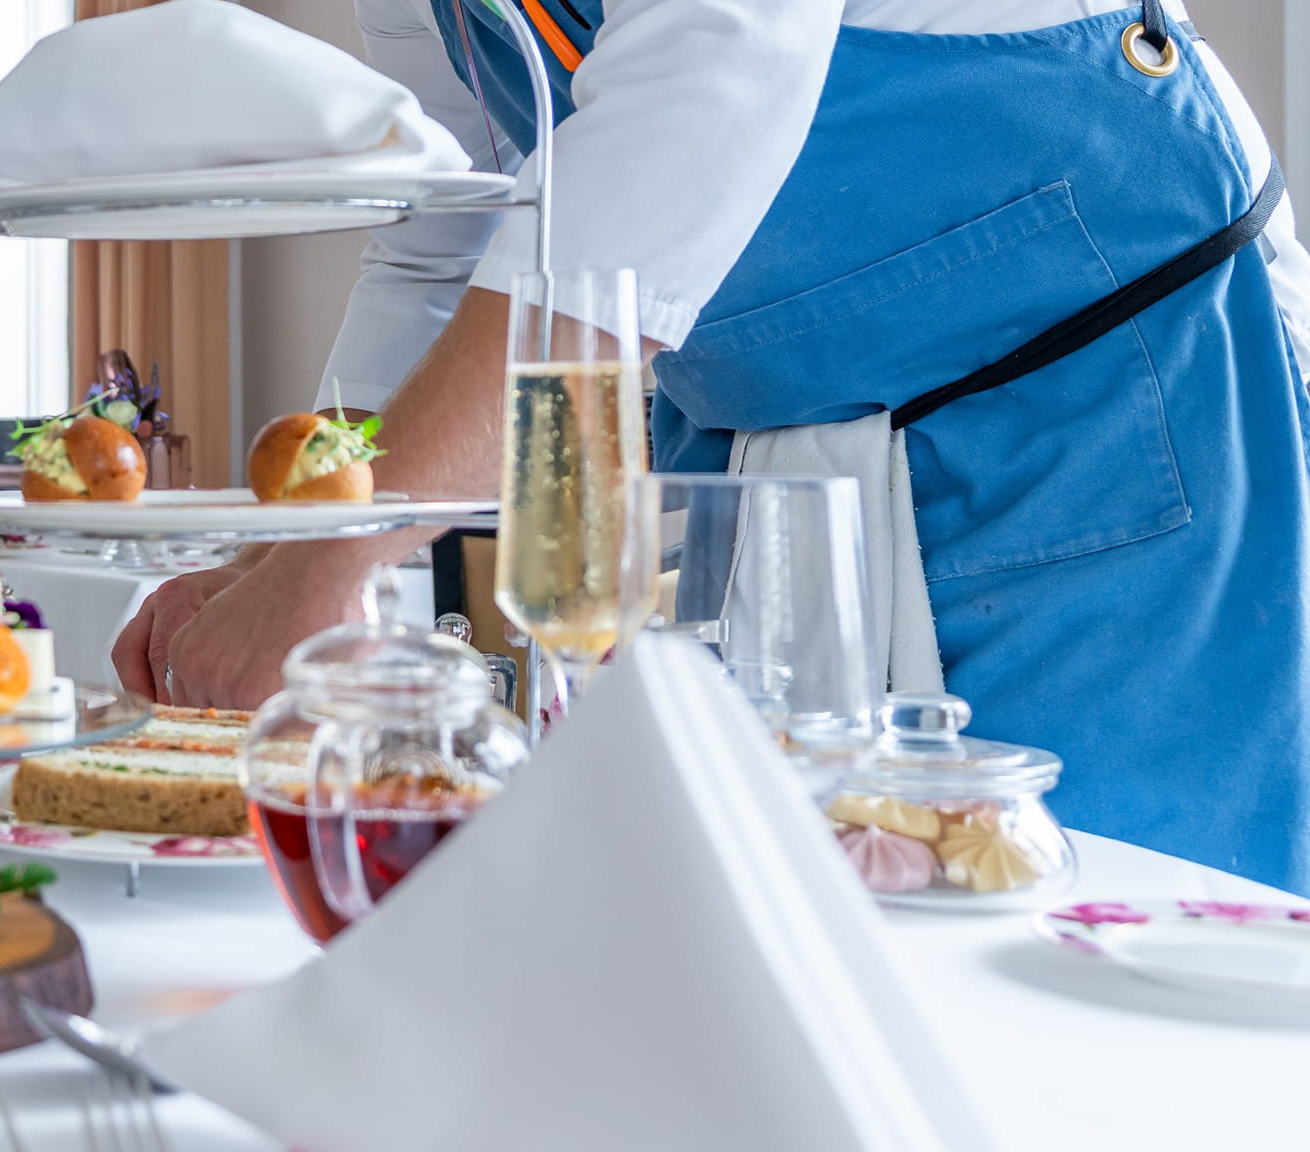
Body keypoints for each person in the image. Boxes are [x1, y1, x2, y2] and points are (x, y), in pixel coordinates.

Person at [114, 0, 1310, 892]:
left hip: (1096, 388)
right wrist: (298, 550)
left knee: (1074, 918)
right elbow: (454, 231)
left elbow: (715, 71)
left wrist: (340, 556)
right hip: (755, 430)